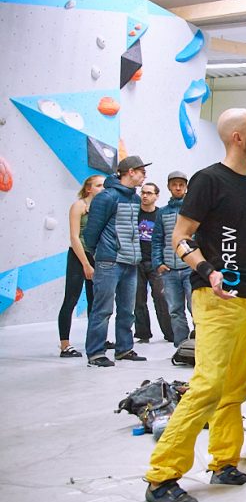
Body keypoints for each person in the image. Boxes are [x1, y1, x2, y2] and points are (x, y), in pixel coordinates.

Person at [144, 108, 246, 502]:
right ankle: (162, 475)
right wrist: (208, 270)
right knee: (208, 386)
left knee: (236, 387)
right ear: (238, 137)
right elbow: (180, 238)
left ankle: (224, 462)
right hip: (214, 299)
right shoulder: (208, 180)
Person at [82, 156, 149, 366]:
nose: (144, 176)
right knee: (102, 309)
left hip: (131, 261)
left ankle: (124, 348)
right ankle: (95, 352)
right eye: (141, 172)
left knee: (127, 309)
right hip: (109, 260)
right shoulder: (106, 197)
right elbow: (91, 232)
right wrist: (100, 253)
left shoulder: (135, 199)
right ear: (130, 172)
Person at [56, 175, 104, 358]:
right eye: (98, 185)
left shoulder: (101, 208)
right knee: (71, 299)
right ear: (88, 189)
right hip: (78, 256)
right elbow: (74, 237)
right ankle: (64, 345)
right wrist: (85, 263)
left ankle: (95, 340)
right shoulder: (78, 206)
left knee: (95, 302)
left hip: (96, 257)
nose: (102, 188)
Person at [154, 171, 193, 348]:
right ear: (169, 186)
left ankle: (201, 346)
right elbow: (157, 240)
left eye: (181, 184)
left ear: (186, 187)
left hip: (190, 268)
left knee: (197, 309)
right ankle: (182, 347)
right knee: (175, 311)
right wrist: (158, 263)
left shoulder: (193, 209)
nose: (178, 187)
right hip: (169, 270)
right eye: (174, 184)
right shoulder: (162, 213)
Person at [134, 182, 174, 344]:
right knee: (138, 299)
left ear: (157, 196)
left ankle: (170, 333)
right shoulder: (135, 214)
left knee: (161, 297)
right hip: (137, 261)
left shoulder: (160, 215)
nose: (145, 196)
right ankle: (143, 334)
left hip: (156, 262)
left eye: (149, 193)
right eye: (143, 192)